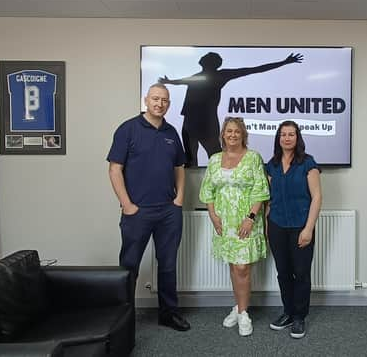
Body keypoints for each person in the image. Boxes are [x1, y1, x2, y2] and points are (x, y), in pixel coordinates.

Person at [106, 83, 190, 332]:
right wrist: (127, 205)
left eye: (164, 100)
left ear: (169, 104)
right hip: (137, 212)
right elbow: (114, 169)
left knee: (168, 265)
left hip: (168, 211)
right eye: (155, 99)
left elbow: (179, 168)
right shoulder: (128, 129)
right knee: (129, 264)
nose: (159, 104)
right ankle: (123, 318)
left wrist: (179, 199)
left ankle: (168, 314)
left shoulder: (171, 132)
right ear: (146, 100)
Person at [159, 52, 303, 167]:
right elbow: (179, 81)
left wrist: (284, 62)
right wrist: (168, 82)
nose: (202, 60)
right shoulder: (197, 77)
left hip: (206, 123)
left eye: (206, 59)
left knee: (216, 157)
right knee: (191, 160)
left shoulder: (220, 75)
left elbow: (252, 70)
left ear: (210, 63)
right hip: (190, 122)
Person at [199, 117, 270, 336]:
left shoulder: (253, 158)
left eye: (237, 131)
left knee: (242, 267)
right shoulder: (214, 159)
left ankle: (243, 313)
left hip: (246, 221)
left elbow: (260, 189)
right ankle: (239, 307)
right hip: (224, 222)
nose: (232, 135)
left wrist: (250, 217)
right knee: (233, 265)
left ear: (243, 135)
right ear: (223, 134)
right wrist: (212, 215)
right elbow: (207, 191)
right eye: (228, 131)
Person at [265, 120, 322, 339]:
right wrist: (266, 225)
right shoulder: (272, 165)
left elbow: (317, 197)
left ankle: (299, 317)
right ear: (278, 138)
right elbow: (268, 200)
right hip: (277, 226)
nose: (287, 138)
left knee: (301, 273)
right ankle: (288, 312)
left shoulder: (308, 163)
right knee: (283, 273)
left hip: (301, 226)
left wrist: (309, 228)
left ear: (297, 138)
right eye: (283, 134)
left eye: (291, 134)